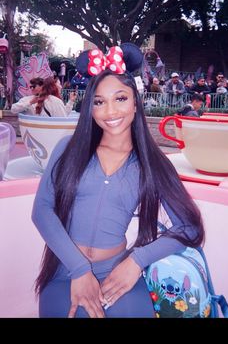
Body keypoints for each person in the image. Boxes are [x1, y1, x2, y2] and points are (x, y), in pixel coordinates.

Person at [32, 43, 205, 318]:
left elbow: (191, 228)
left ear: (136, 102)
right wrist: (79, 269)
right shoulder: (69, 148)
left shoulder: (153, 163)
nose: (110, 111)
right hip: (64, 272)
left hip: (118, 275)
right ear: (90, 107)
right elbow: (42, 211)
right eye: (99, 101)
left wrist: (137, 261)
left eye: (120, 98)